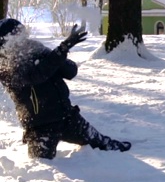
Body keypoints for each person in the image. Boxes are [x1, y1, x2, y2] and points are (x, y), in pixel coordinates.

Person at [0, 18, 131, 159]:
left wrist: (53, 54)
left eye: (23, 33)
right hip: (40, 126)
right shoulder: (4, 65)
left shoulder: (34, 48)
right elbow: (36, 75)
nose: (23, 39)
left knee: (101, 143)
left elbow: (70, 71)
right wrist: (62, 49)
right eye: (17, 35)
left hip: (66, 115)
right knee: (41, 168)